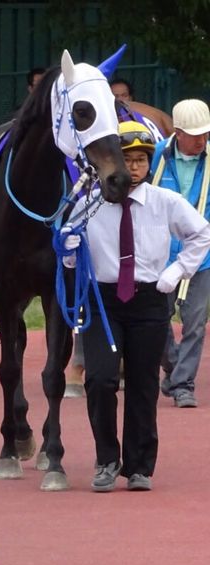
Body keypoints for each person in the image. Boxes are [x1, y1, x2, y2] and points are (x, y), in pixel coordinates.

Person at [61, 121, 210, 491]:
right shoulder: (90, 202)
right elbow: (69, 249)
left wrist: (176, 271)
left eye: (142, 160)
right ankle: (106, 460)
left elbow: (202, 233)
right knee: (100, 380)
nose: (135, 167)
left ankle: (139, 466)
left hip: (148, 300)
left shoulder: (164, 201)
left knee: (143, 384)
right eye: (128, 160)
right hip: (103, 301)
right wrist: (67, 251)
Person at [152, 100, 210, 409]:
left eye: (206, 133)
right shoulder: (156, 156)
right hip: (160, 254)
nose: (201, 140)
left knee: (195, 323)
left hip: (202, 256)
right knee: (157, 318)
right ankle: (173, 368)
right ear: (178, 132)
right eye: (195, 134)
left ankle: (184, 385)